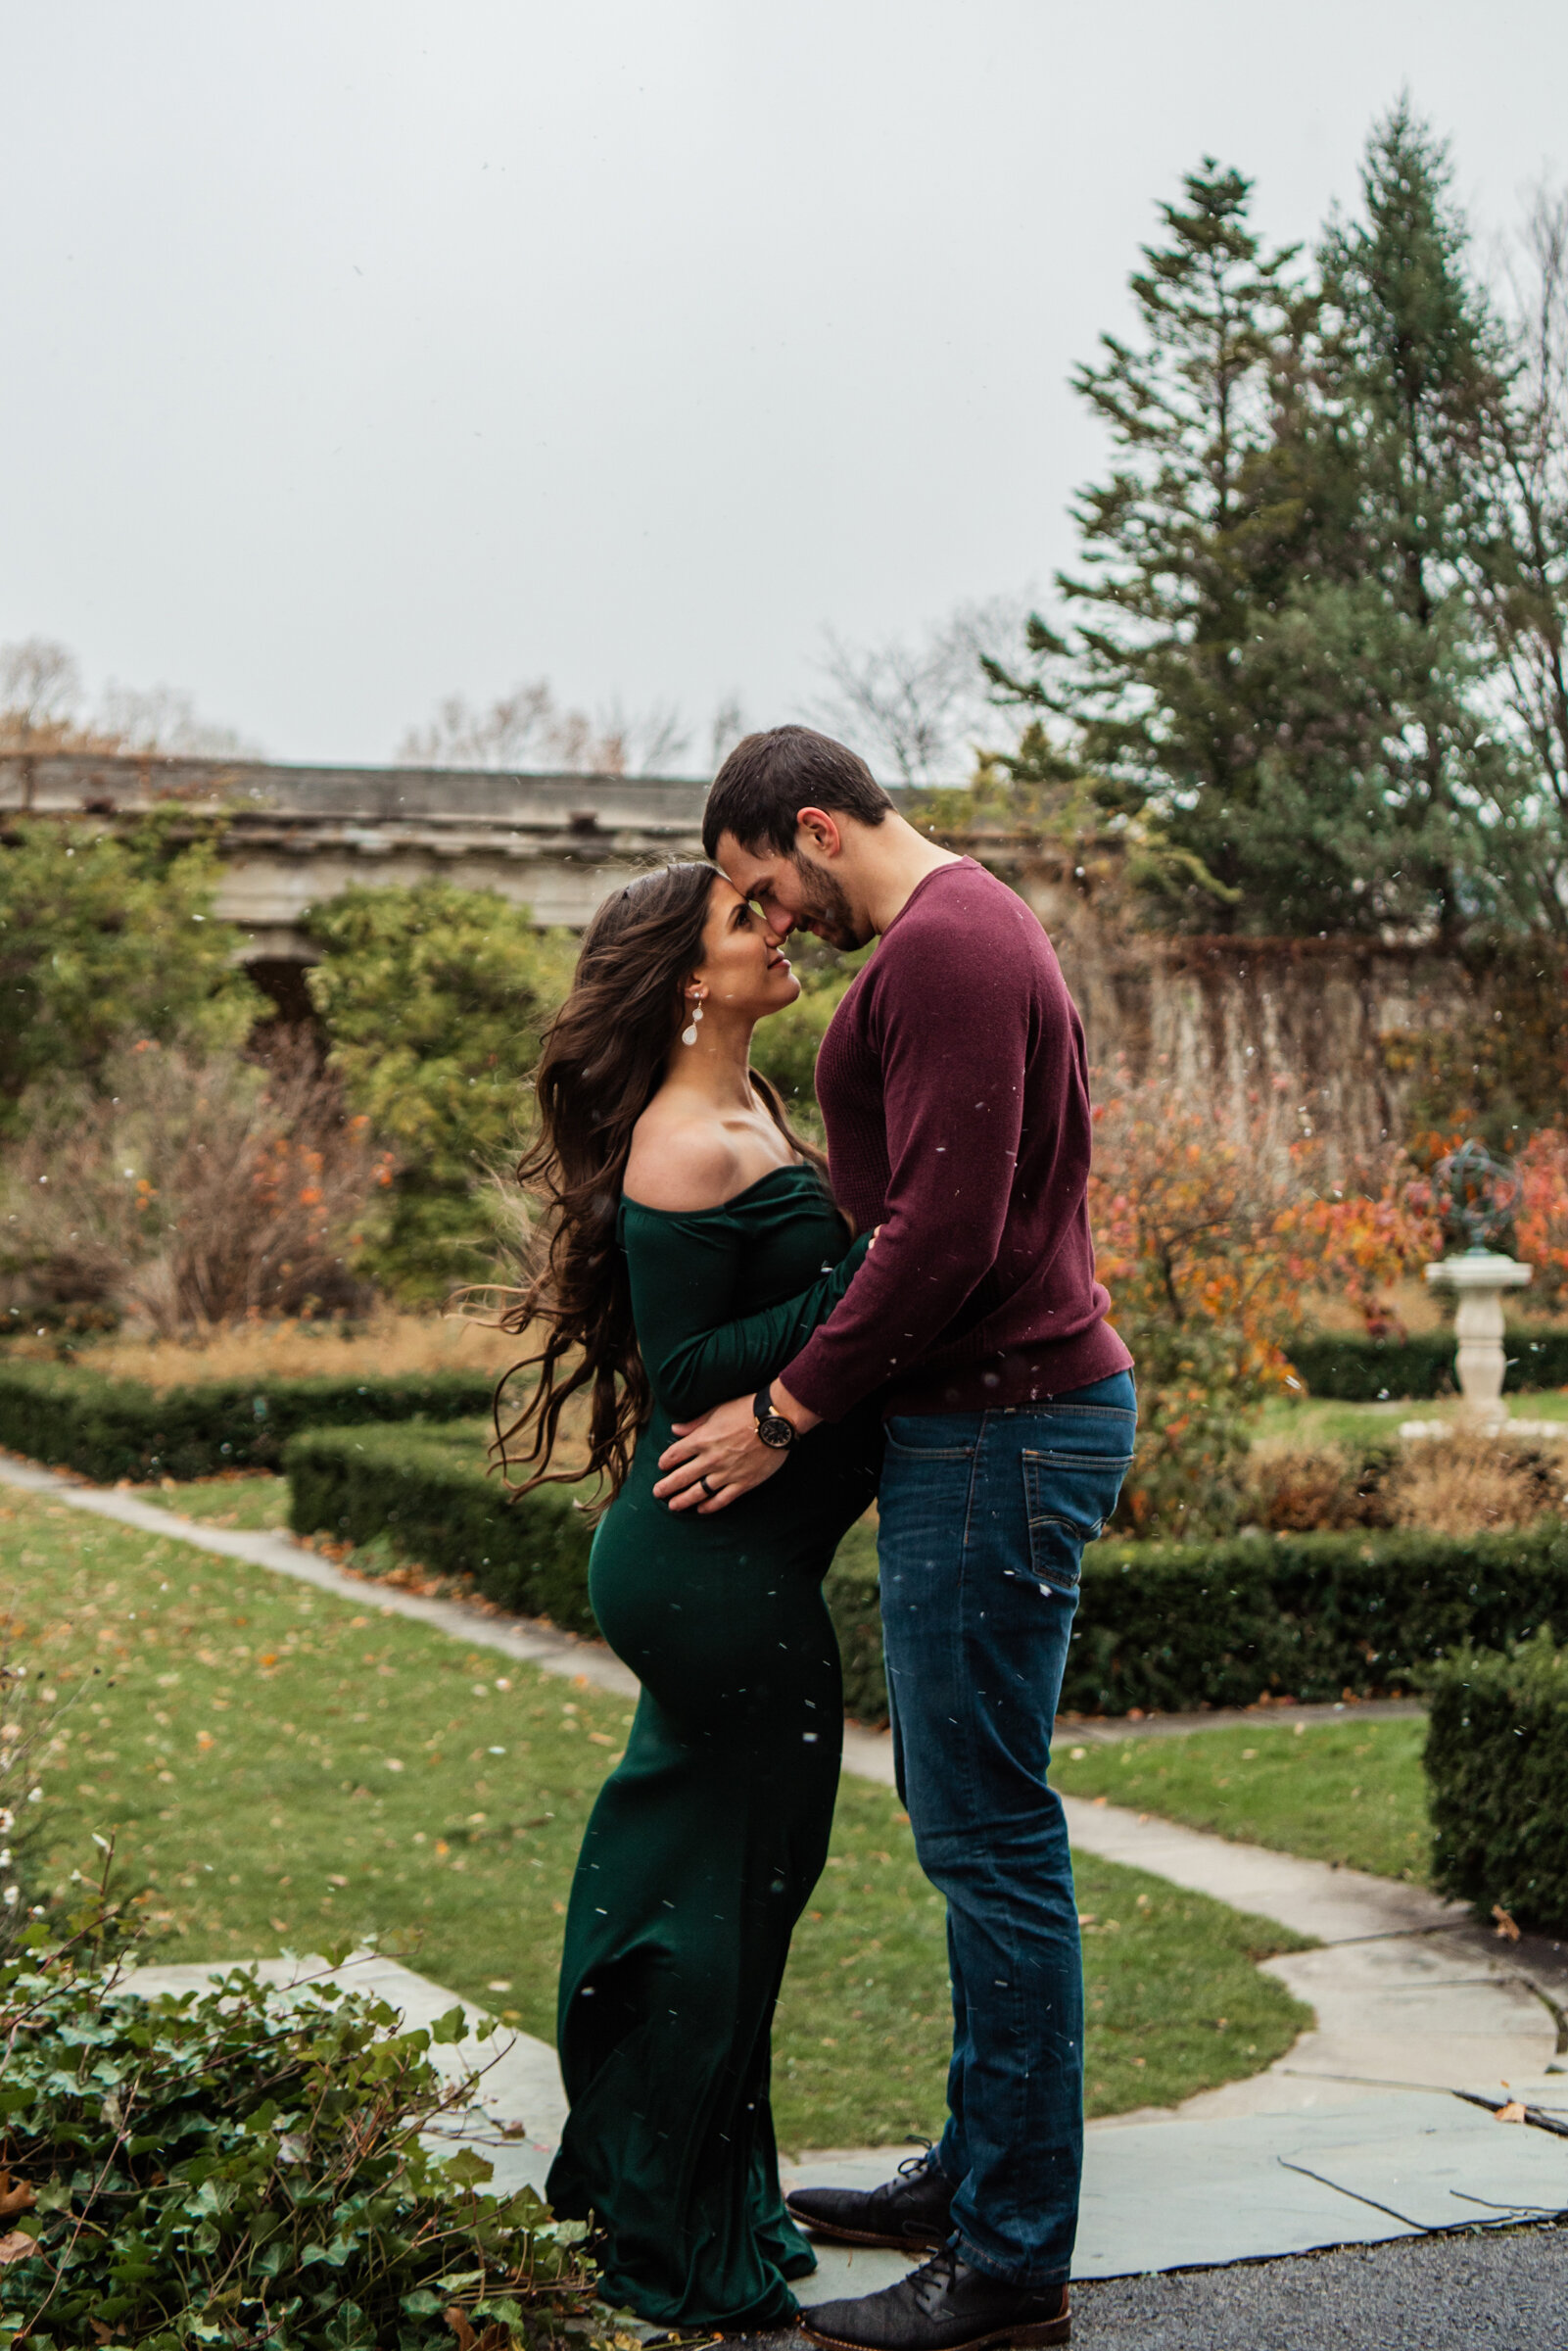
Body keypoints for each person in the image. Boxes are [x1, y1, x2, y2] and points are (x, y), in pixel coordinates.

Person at [652, 726, 1136, 2351]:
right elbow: (922, 1215)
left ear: (805, 828)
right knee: (967, 1813)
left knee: (989, 1835)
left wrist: (783, 1407)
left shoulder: (942, 946)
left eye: (758, 888)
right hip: (983, 1423)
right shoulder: (954, 939)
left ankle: (1008, 2261)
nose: (769, 921)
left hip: (1005, 1426)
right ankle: (976, 2176)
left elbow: (941, 1233)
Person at [490, 860, 883, 2333]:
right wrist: (864, 1275)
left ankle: (701, 2198)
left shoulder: (751, 1107)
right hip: (705, 1570)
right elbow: (693, 1368)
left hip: (732, 1563)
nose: (775, 927)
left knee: (736, 1888)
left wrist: (854, 1277)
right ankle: (667, 2232)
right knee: (720, 1901)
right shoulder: (679, 1138)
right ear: (681, 984)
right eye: (744, 920)